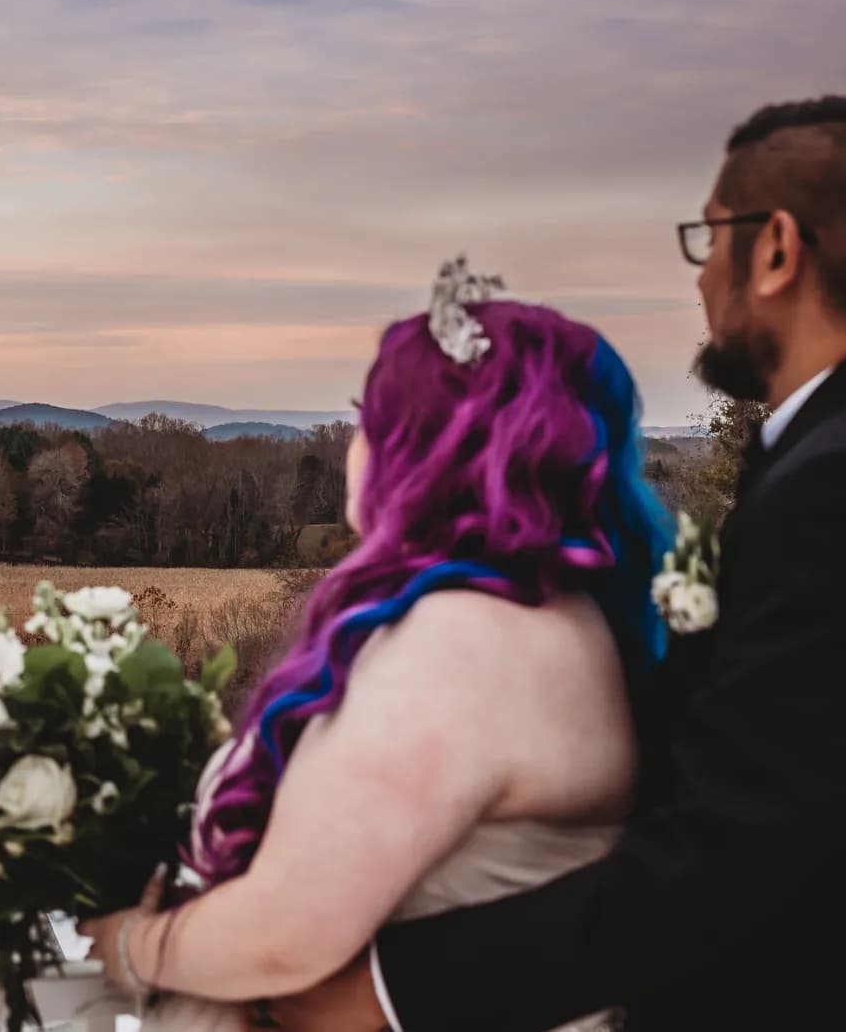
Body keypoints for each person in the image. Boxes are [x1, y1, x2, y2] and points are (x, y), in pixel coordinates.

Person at [265, 95, 846, 1032]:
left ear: (777, 248)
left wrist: (390, 991)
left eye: (711, 240)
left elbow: (727, 854)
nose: (701, 284)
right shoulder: (805, 459)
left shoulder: (829, 489)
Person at [79, 257, 674, 1032]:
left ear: (428, 444)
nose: (354, 443)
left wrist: (132, 945)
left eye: (370, 416)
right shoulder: (561, 616)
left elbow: (286, 932)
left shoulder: (470, 641)